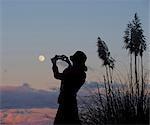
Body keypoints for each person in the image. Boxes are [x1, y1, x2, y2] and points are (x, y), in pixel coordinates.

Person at [51, 51, 87, 125]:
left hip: (66, 104)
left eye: (74, 60)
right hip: (71, 103)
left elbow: (57, 75)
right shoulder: (82, 73)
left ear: (76, 61)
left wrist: (54, 63)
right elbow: (70, 74)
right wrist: (69, 64)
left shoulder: (74, 72)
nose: (72, 62)